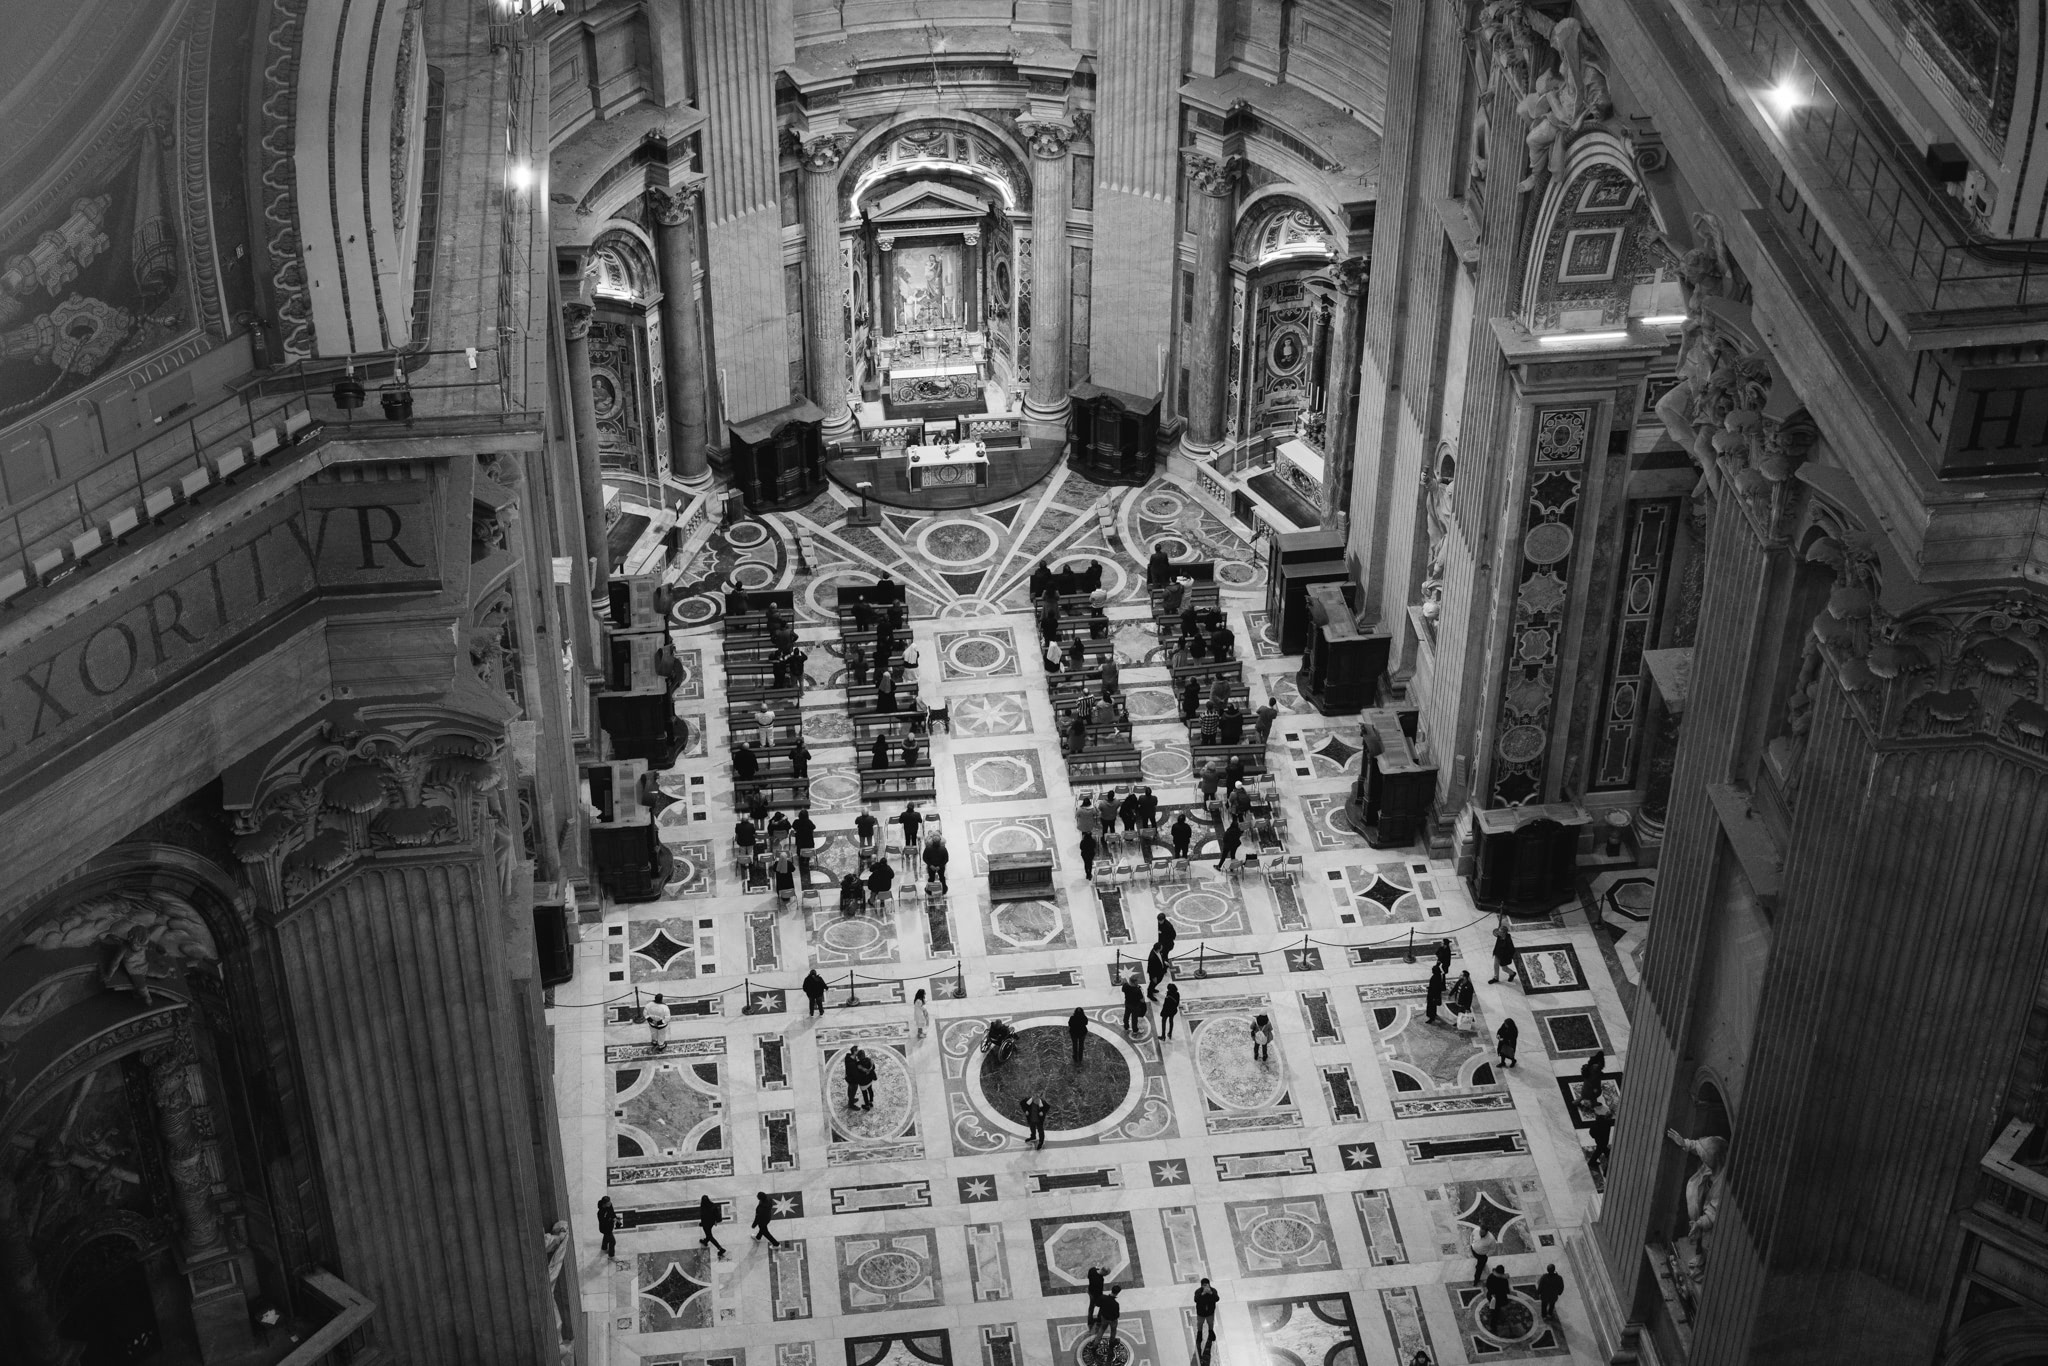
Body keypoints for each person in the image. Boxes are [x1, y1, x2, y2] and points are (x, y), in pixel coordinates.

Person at [1192, 1278, 1220, 1351]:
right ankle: (1199, 1334)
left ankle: (1211, 1332)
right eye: (1203, 1285)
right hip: (1201, 1313)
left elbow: (1217, 1299)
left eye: (1206, 1285)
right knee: (1200, 1324)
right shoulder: (1198, 1292)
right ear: (1201, 1286)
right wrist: (1203, 1294)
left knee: (1210, 1323)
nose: (1205, 1287)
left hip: (1210, 1312)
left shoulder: (1213, 1291)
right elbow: (1196, 1299)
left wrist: (1210, 1293)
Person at [1587, 1098, 1615, 1165]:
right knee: (1600, 1148)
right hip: (1602, 1138)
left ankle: (1607, 1154)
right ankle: (1592, 1162)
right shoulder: (1606, 1122)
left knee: (1602, 1147)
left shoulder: (1600, 1119)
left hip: (1597, 1136)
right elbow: (1612, 1123)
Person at [598, 1194, 618, 1259]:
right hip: (605, 1228)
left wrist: (614, 1217)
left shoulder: (609, 1205)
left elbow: (612, 1212)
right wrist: (611, 1219)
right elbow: (603, 1222)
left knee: (606, 1237)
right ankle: (611, 1255)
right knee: (612, 1241)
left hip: (609, 1226)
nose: (610, 1203)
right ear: (604, 1204)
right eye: (608, 1203)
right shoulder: (600, 1213)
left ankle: (604, 1248)